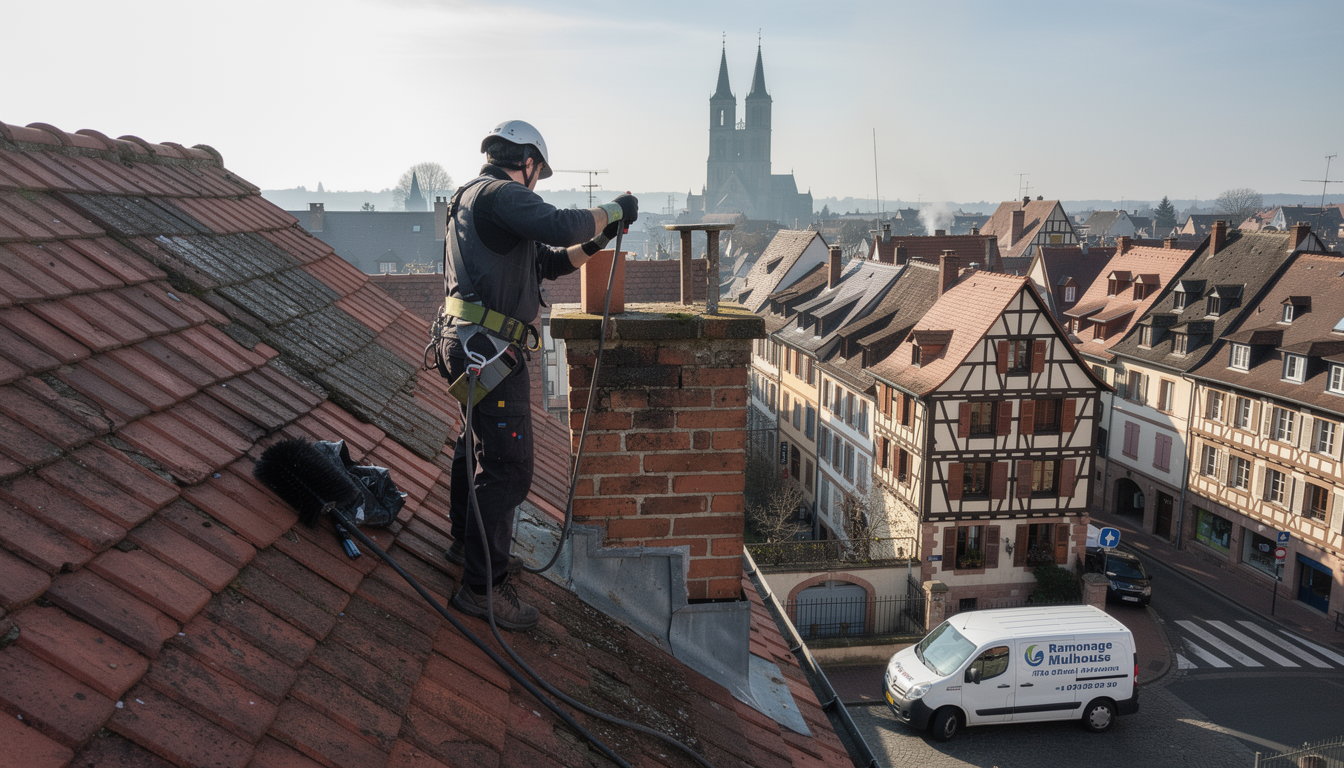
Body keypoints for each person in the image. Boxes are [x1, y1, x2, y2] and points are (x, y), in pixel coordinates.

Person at [436, 120, 636, 631]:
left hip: (470, 347)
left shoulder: (473, 200)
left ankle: (468, 544)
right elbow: (562, 225)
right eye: (537, 173)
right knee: (509, 469)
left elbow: (547, 263)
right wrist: (613, 210)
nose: (536, 181)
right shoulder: (501, 193)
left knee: (473, 448)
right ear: (525, 162)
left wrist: (600, 240)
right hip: (491, 352)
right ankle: (482, 587)